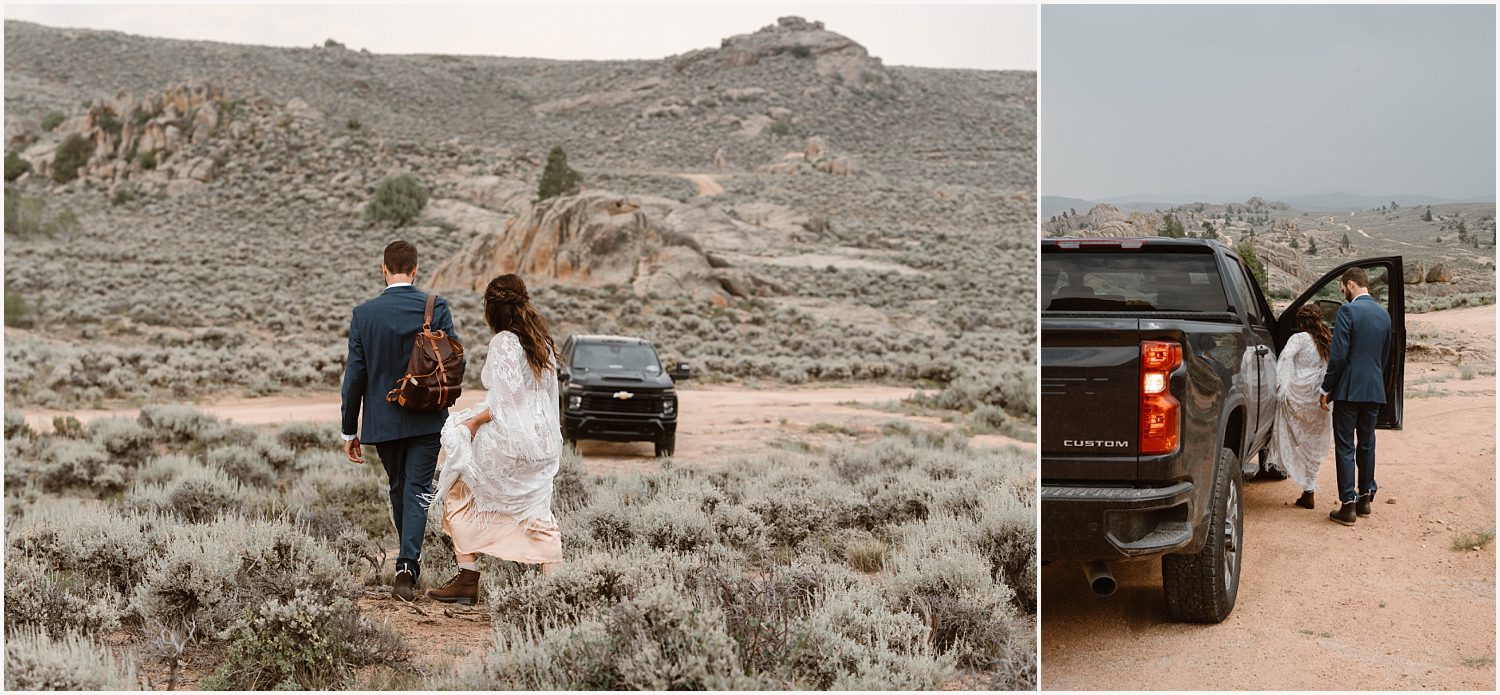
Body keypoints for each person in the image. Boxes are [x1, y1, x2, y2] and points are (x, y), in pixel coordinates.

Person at [426, 274, 563, 604]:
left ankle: (467, 576)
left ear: (492, 309)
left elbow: (506, 404)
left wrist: (471, 422)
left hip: (514, 442)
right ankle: (558, 589)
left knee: (458, 486)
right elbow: (543, 399)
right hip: (543, 444)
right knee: (536, 510)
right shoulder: (541, 341)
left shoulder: (504, 341)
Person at [340, 240, 459, 601]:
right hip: (427, 417)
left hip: (383, 419)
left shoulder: (364, 314)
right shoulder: (435, 306)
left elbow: (355, 375)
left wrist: (350, 429)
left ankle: (407, 562)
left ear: (384, 269)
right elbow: (452, 359)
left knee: (399, 487)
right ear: (416, 269)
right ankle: (407, 565)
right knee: (417, 489)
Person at [1318, 267, 1392, 526]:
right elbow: (1384, 358)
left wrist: (1326, 388)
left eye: (1342, 289)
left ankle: (1347, 505)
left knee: (1346, 446)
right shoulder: (1384, 316)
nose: (1343, 294)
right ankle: (1365, 500)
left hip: (1349, 390)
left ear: (1350, 285)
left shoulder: (1347, 311)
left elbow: (1338, 356)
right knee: (1367, 443)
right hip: (1373, 390)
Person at [1267, 305, 1333, 509]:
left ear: (1301, 322)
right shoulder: (1327, 339)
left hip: (1299, 395)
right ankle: (1309, 489)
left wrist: (1282, 384)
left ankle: (1306, 488)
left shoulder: (1298, 339)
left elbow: (1286, 357)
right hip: (1319, 397)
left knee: (1292, 435)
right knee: (1313, 444)